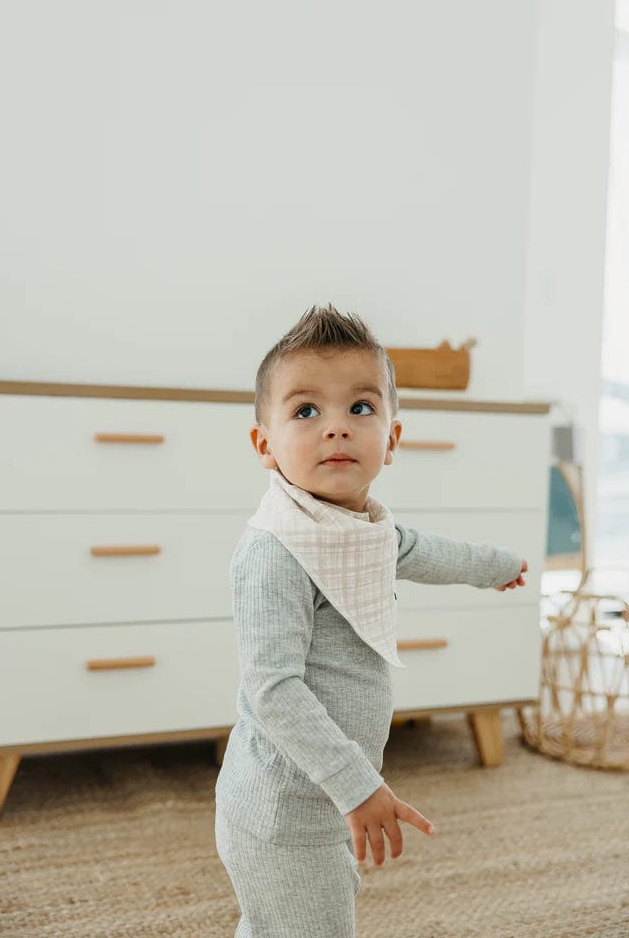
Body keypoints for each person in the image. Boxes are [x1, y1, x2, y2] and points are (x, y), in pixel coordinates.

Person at [214, 303, 527, 938]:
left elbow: (429, 551)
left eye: (360, 408)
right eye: (306, 411)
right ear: (264, 445)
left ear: (392, 438)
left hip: (317, 805)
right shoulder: (276, 549)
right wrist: (358, 786)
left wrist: (497, 565)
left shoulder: (361, 530)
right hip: (285, 815)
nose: (336, 428)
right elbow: (271, 691)